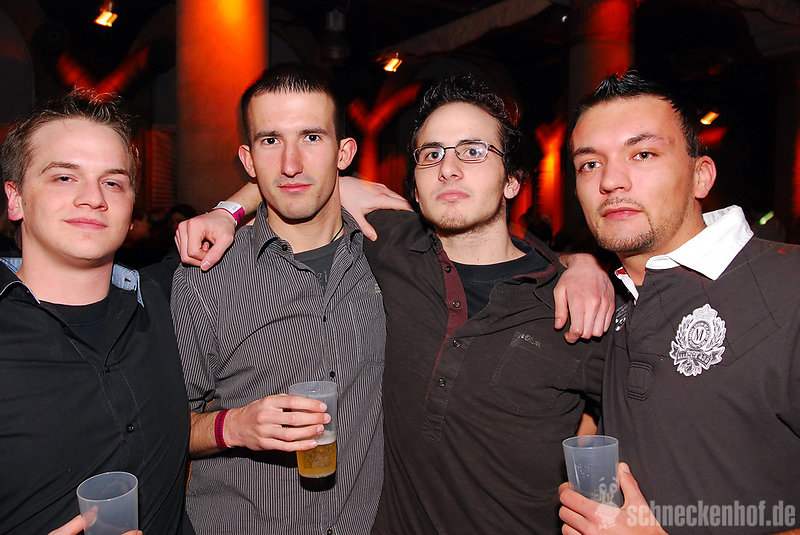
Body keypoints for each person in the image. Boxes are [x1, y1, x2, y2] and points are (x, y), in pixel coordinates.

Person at [178, 73, 613, 533]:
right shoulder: (388, 247)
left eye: (473, 151)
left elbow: (644, 432)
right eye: (433, 154)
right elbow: (160, 427)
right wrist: (227, 210)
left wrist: (582, 263)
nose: (449, 168)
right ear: (415, 187)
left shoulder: (576, 307)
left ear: (512, 181)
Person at [559, 72, 800, 534]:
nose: (611, 180)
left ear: (700, 175)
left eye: (642, 154)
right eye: (589, 164)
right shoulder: (610, 301)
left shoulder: (789, 289)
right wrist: (576, 262)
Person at [170, 64, 386, 534]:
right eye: (271, 140)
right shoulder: (206, 276)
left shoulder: (385, 260)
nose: (291, 164)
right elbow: (164, 427)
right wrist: (234, 426)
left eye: (312, 137)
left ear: (344, 152)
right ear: (248, 161)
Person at [0, 90, 191, 534]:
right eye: (64, 177)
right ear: (16, 199)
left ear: (131, 210)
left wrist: (227, 212)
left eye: (113, 182)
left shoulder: (164, 298)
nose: (93, 198)